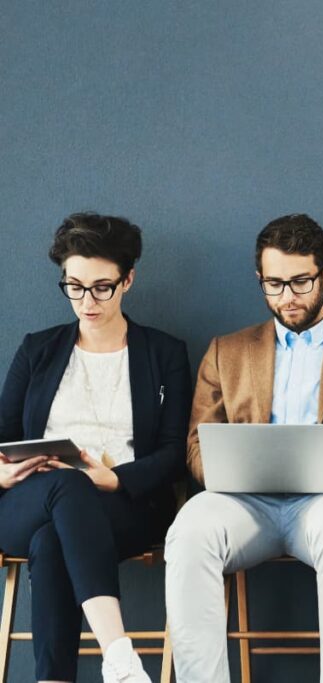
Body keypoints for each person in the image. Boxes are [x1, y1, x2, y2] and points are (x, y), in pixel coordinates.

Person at [164, 214, 323, 683]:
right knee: (189, 530)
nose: (287, 297)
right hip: (243, 503)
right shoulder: (226, 351)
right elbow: (196, 445)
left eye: (300, 281)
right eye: (273, 284)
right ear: (260, 279)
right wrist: (227, 470)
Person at [0, 214, 190, 683]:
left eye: (102, 287)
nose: (87, 301)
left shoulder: (163, 353)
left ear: (128, 279)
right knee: (63, 486)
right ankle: (119, 657)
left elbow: (173, 449)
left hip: (123, 503)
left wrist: (117, 478)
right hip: (27, 499)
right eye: (75, 286)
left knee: (52, 541)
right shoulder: (37, 349)